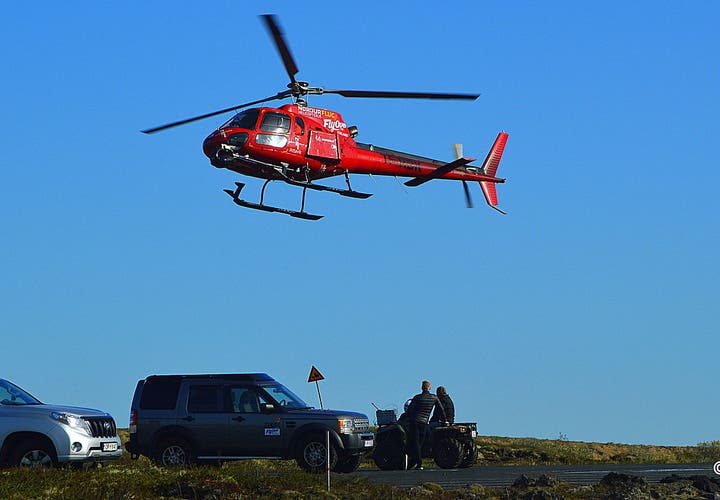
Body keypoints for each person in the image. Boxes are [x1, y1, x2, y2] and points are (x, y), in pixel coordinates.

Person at [404, 380, 446, 470]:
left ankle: (418, 463)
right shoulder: (434, 398)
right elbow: (441, 410)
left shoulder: (417, 397)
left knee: (415, 443)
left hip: (414, 422)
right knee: (420, 443)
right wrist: (445, 420)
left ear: (422, 388)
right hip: (424, 423)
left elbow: (410, 410)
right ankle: (416, 463)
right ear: (429, 388)